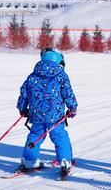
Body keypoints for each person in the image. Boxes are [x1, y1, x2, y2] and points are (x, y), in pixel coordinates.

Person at [16, 48, 78, 177]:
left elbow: (24, 93)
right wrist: (72, 108)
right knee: (60, 137)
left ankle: (29, 161)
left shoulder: (32, 76)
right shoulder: (61, 76)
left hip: (37, 114)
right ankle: (65, 161)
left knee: (34, 136)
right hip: (55, 116)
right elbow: (68, 93)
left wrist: (22, 108)